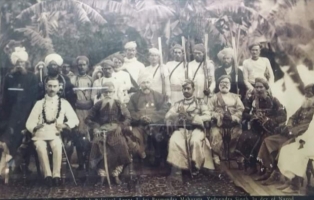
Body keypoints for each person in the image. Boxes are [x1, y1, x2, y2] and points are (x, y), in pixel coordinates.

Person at [256, 83, 314, 185]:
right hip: (290, 132)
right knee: (268, 141)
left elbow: (309, 127)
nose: (306, 97)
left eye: (309, 95)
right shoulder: (304, 106)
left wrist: (293, 131)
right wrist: (289, 127)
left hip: (301, 137)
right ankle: (269, 170)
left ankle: (277, 174)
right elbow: (292, 117)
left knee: (283, 147)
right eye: (305, 95)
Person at [25, 77, 79, 187]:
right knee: (40, 147)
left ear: (59, 87)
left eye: (54, 86)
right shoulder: (39, 103)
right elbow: (29, 122)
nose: (52, 89)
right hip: (40, 133)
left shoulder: (64, 103)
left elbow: (75, 119)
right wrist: (35, 127)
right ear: (45, 87)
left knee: (57, 146)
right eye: (49, 86)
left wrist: (64, 125)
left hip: (55, 133)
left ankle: (56, 176)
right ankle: (47, 176)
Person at [235, 78, 287, 175]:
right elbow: (244, 114)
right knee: (245, 136)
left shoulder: (273, 100)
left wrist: (270, 120)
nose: (258, 89)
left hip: (269, 129)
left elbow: (283, 116)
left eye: (261, 87)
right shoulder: (251, 99)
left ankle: (265, 168)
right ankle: (252, 165)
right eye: (256, 87)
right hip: (256, 128)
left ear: (266, 88)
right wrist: (252, 116)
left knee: (263, 140)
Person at [85, 82, 133, 186]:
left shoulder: (119, 103)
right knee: (96, 144)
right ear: (102, 93)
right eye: (105, 92)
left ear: (113, 92)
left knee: (121, 144)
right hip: (101, 130)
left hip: (116, 130)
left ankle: (116, 174)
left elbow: (128, 118)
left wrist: (121, 126)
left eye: (110, 92)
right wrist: (96, 127)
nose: (108, 94)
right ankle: (101, 175)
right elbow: (88, 119)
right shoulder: (98, 104)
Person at [0, 47, 38, 174]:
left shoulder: (32, 77)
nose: (20, 65)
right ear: (14, 63)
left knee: (25, 138)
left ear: (26, 64)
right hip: (11, 114)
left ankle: (25, 165)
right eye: (18, 63)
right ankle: (11, 166)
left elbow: (34, 97)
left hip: (26, 112)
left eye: (22, 63)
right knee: (10, 138)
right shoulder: (9, 77)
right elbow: (4, 97)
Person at [166, 79, 214, 176]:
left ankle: (196, 165)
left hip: (196, 129)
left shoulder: (200, 102)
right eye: (184, 89)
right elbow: (168, 115)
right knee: (174, 140)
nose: (186, 91)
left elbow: (208, 115)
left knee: (194, 141)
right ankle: (179, 166)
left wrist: (192, 118)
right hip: (182, 129)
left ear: (193, 89)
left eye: (188, 88)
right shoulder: (178, 104)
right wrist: (178, 116)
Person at [127, 73, 169, 166]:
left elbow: (164, 109)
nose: (146, 85)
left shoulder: (158, 95)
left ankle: (158, 159)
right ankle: (141, 157)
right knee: (134, 135)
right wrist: (140, 118)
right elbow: (130, 110)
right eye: (143, 83)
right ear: (140, 85)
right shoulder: (134, 97)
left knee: (158, 136)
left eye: (147, 82)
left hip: (155, 124)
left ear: (151, 84)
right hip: (139, 124)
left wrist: (152, 118)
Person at [208, 75, 244, 165]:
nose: (224, 85)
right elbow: (208, 111)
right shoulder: (214, 97)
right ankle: (216, 155)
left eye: (227, 83)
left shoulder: (235, 97)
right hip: (219, 123)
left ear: (230, 85)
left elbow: (241, 110)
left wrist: (233, 117)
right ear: (219, 85)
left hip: (233, 123)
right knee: (215, 134)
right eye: (222, 83)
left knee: (239, 133)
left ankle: (235, 155)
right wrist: (219, 116)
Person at [277, 117, 314, 193]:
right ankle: (290, 180)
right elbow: (309, 132)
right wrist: (302, 140)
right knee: (286, 149)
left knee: (299, 154)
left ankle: (295, 186)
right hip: (309, 142)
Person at [70, 56, 93, 170]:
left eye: (84, 64)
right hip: (78, 110)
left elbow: (94, 96)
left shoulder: (91, 79)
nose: (82, 67)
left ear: (87, 66)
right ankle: (80, 163)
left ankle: (88, 161)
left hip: (89, 110)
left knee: (89, 136)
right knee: (79, 135)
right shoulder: (73, 79)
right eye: (80, 65)